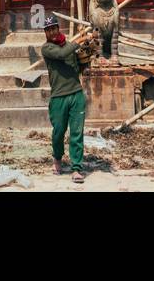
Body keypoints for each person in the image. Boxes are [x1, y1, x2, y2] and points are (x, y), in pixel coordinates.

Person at [41, 14, 95, 183]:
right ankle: (57, 158)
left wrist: (88, 54)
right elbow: (63, 53)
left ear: (59, 28)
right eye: (48, 30)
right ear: (46, 33)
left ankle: (77, 168)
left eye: (54, 28)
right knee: (58, 132)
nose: (52, 32)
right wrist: (78, 41)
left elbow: (79, 66)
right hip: (58, 97)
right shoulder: (47, 48)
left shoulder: (70, 46)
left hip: (76, 94)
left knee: (77, 133)